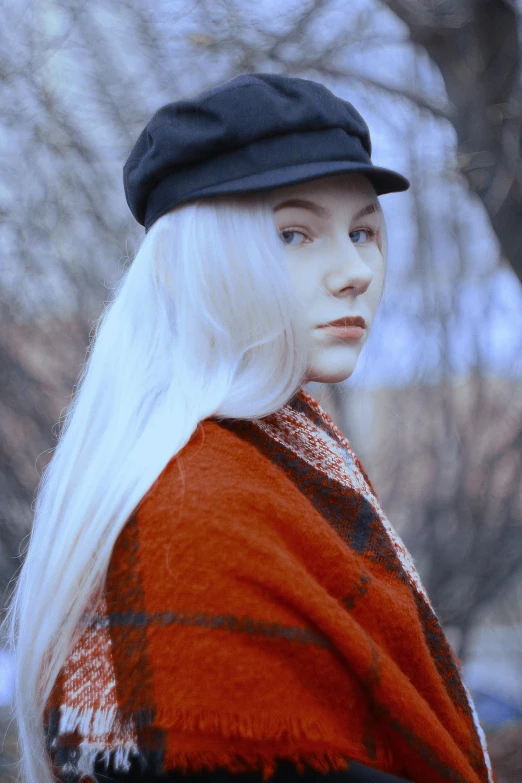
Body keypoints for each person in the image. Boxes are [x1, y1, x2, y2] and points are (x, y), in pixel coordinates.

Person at [1, 73, 496, 783]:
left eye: (363, 230)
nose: (354, 269)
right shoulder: (194, 505)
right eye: (295, 234)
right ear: (192, 264)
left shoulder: (277, 455)